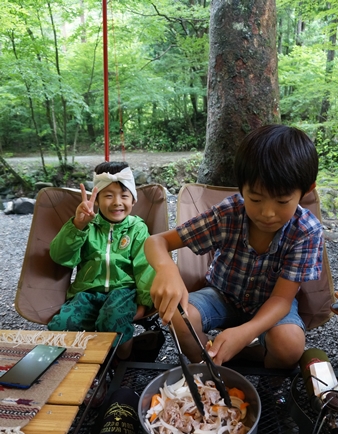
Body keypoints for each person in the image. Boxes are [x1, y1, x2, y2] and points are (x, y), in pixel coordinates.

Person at [144, 124, 323, 369]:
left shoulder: (306, 230)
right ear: (241, 187)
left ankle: (265, 380)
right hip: (222, 295)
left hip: (271, 302)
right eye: (256, 199)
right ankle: (209, 368)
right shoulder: (229, 213)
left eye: (282, 201)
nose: (267, 213)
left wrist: (244, 333)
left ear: (306, 190)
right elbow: (157, 241)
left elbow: (282, 299)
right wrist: (167, 270)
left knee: (289, 345)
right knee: (178, 316)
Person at [48, 161, 156, 360]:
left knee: (113, 320)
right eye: (108, 195)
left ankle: (120, 364)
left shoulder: (137, 229)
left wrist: (144, 303)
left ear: (133, 200)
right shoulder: (86, 225)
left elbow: (145, 266)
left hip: (123, 292)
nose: (117, 202)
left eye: (124, 196)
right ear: (96, 200)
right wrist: (78, 226)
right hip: (86, 292)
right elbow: (60, 256)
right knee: (63, 323)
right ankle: (80, 368)